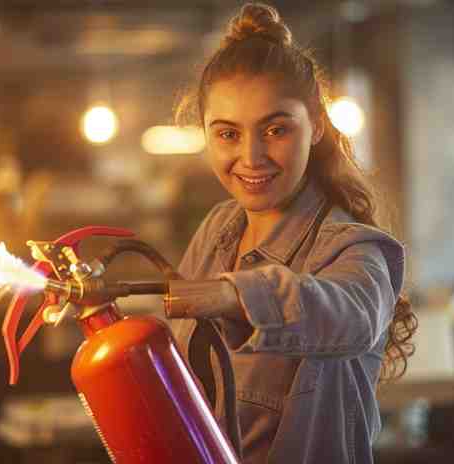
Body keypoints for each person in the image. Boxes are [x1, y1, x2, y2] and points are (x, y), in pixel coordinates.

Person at [163, 3, 416, 463]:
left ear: (317, 124)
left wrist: (236, 297)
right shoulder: (218, 230)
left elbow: (351, 316)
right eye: (227, 134)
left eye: (275, 129)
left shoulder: (353, 248)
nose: (251, 157)